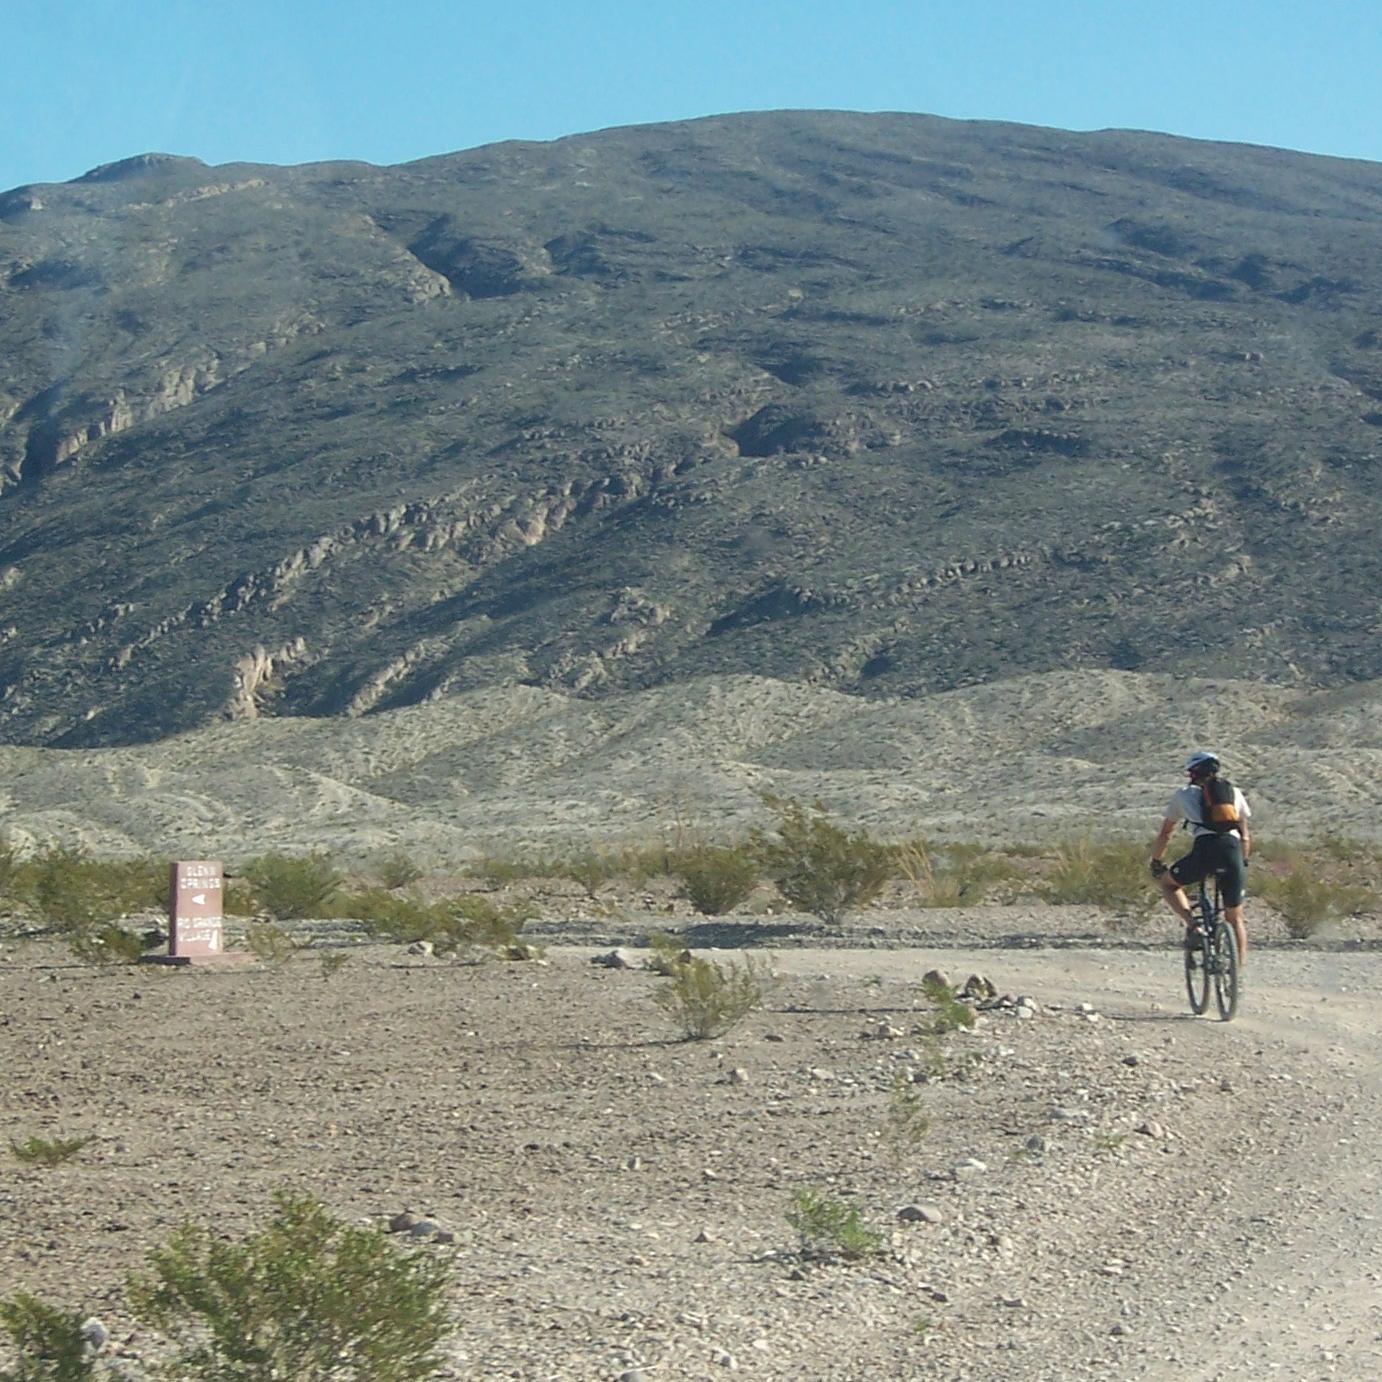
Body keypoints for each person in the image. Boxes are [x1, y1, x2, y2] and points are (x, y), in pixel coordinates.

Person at [1149, 751, 1252, 963]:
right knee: (1235, 918)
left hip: (1205, 848)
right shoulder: (1234, 793)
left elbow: (1166, 833)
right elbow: (1245, 836)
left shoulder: (1183, 794)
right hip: (1231, 850)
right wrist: (1242, 861)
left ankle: (1193, 925)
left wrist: (1156, 860)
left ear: (1192, 773)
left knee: (1169, 884)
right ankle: (1238, 972)